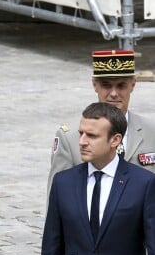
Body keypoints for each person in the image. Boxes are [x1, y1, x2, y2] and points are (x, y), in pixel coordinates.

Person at [41, 102, 155, 255]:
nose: (82, 141)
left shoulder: (144, 183)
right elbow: (51, 248)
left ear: (115, 140)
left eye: (92, 136)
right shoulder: (63, 183)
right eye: (81, 133)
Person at [47, 49, 155, 196]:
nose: (113, 94)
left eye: (121, 86)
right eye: (106, 85)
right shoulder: (70, 138)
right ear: (94, 84)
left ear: (133, 84)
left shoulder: (151, 132)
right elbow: (57, 197)